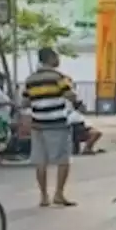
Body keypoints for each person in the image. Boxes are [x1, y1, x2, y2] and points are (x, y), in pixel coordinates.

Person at [22, 47, 77, 207]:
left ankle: (43, 196)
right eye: (56, 56)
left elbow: (25, 101)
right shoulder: (58, 77)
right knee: (63, 159)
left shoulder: (30, 79)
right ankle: (59, 194)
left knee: (41, 161)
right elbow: (70, 95)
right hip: (57, 123)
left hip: (38, 124)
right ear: (51, 58)